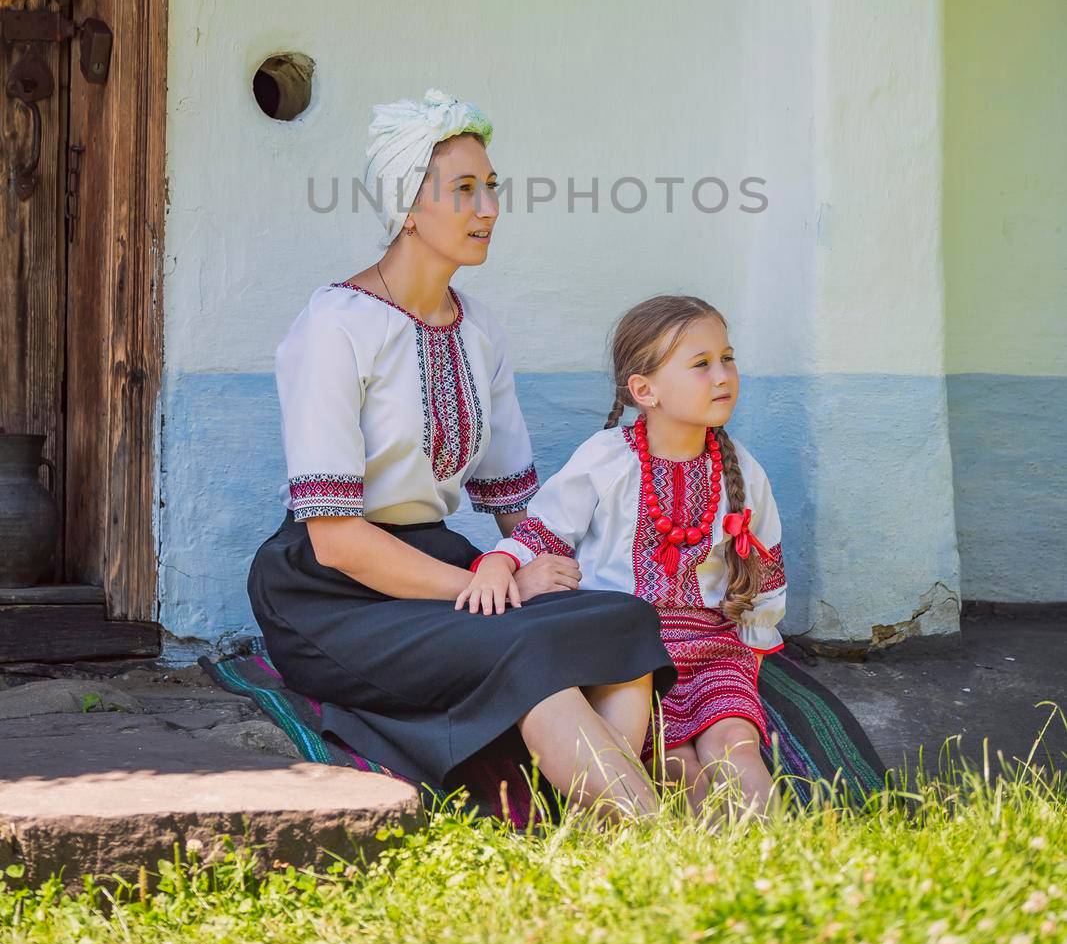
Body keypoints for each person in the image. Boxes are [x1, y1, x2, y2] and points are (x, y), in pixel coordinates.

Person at [248, 89, 674, 819]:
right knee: (523, 650)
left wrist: (538, 570)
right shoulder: (334, 326)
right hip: (330, 593)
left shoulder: (478, 330)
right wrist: (497, 585)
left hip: (443, 564)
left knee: (621, 622)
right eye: (465, 190)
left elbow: (514, 504)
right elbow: (338, 540)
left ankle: (592, 822)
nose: (488, 209)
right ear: (408, 207)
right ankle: (651, 836)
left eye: (492, 188)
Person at [470, 293, 786, 818]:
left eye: (727, 358)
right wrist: (502, 561)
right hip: (629, 654)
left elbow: (765, 575)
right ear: (645, 390)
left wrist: (748, 656)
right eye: (701, 364)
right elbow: (546, 531)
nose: (723, 376)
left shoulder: (744, 473)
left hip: (713, 648)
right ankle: (698, 864)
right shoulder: (606, 459)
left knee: (735, 745)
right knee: (677, 762)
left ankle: (787, 859)